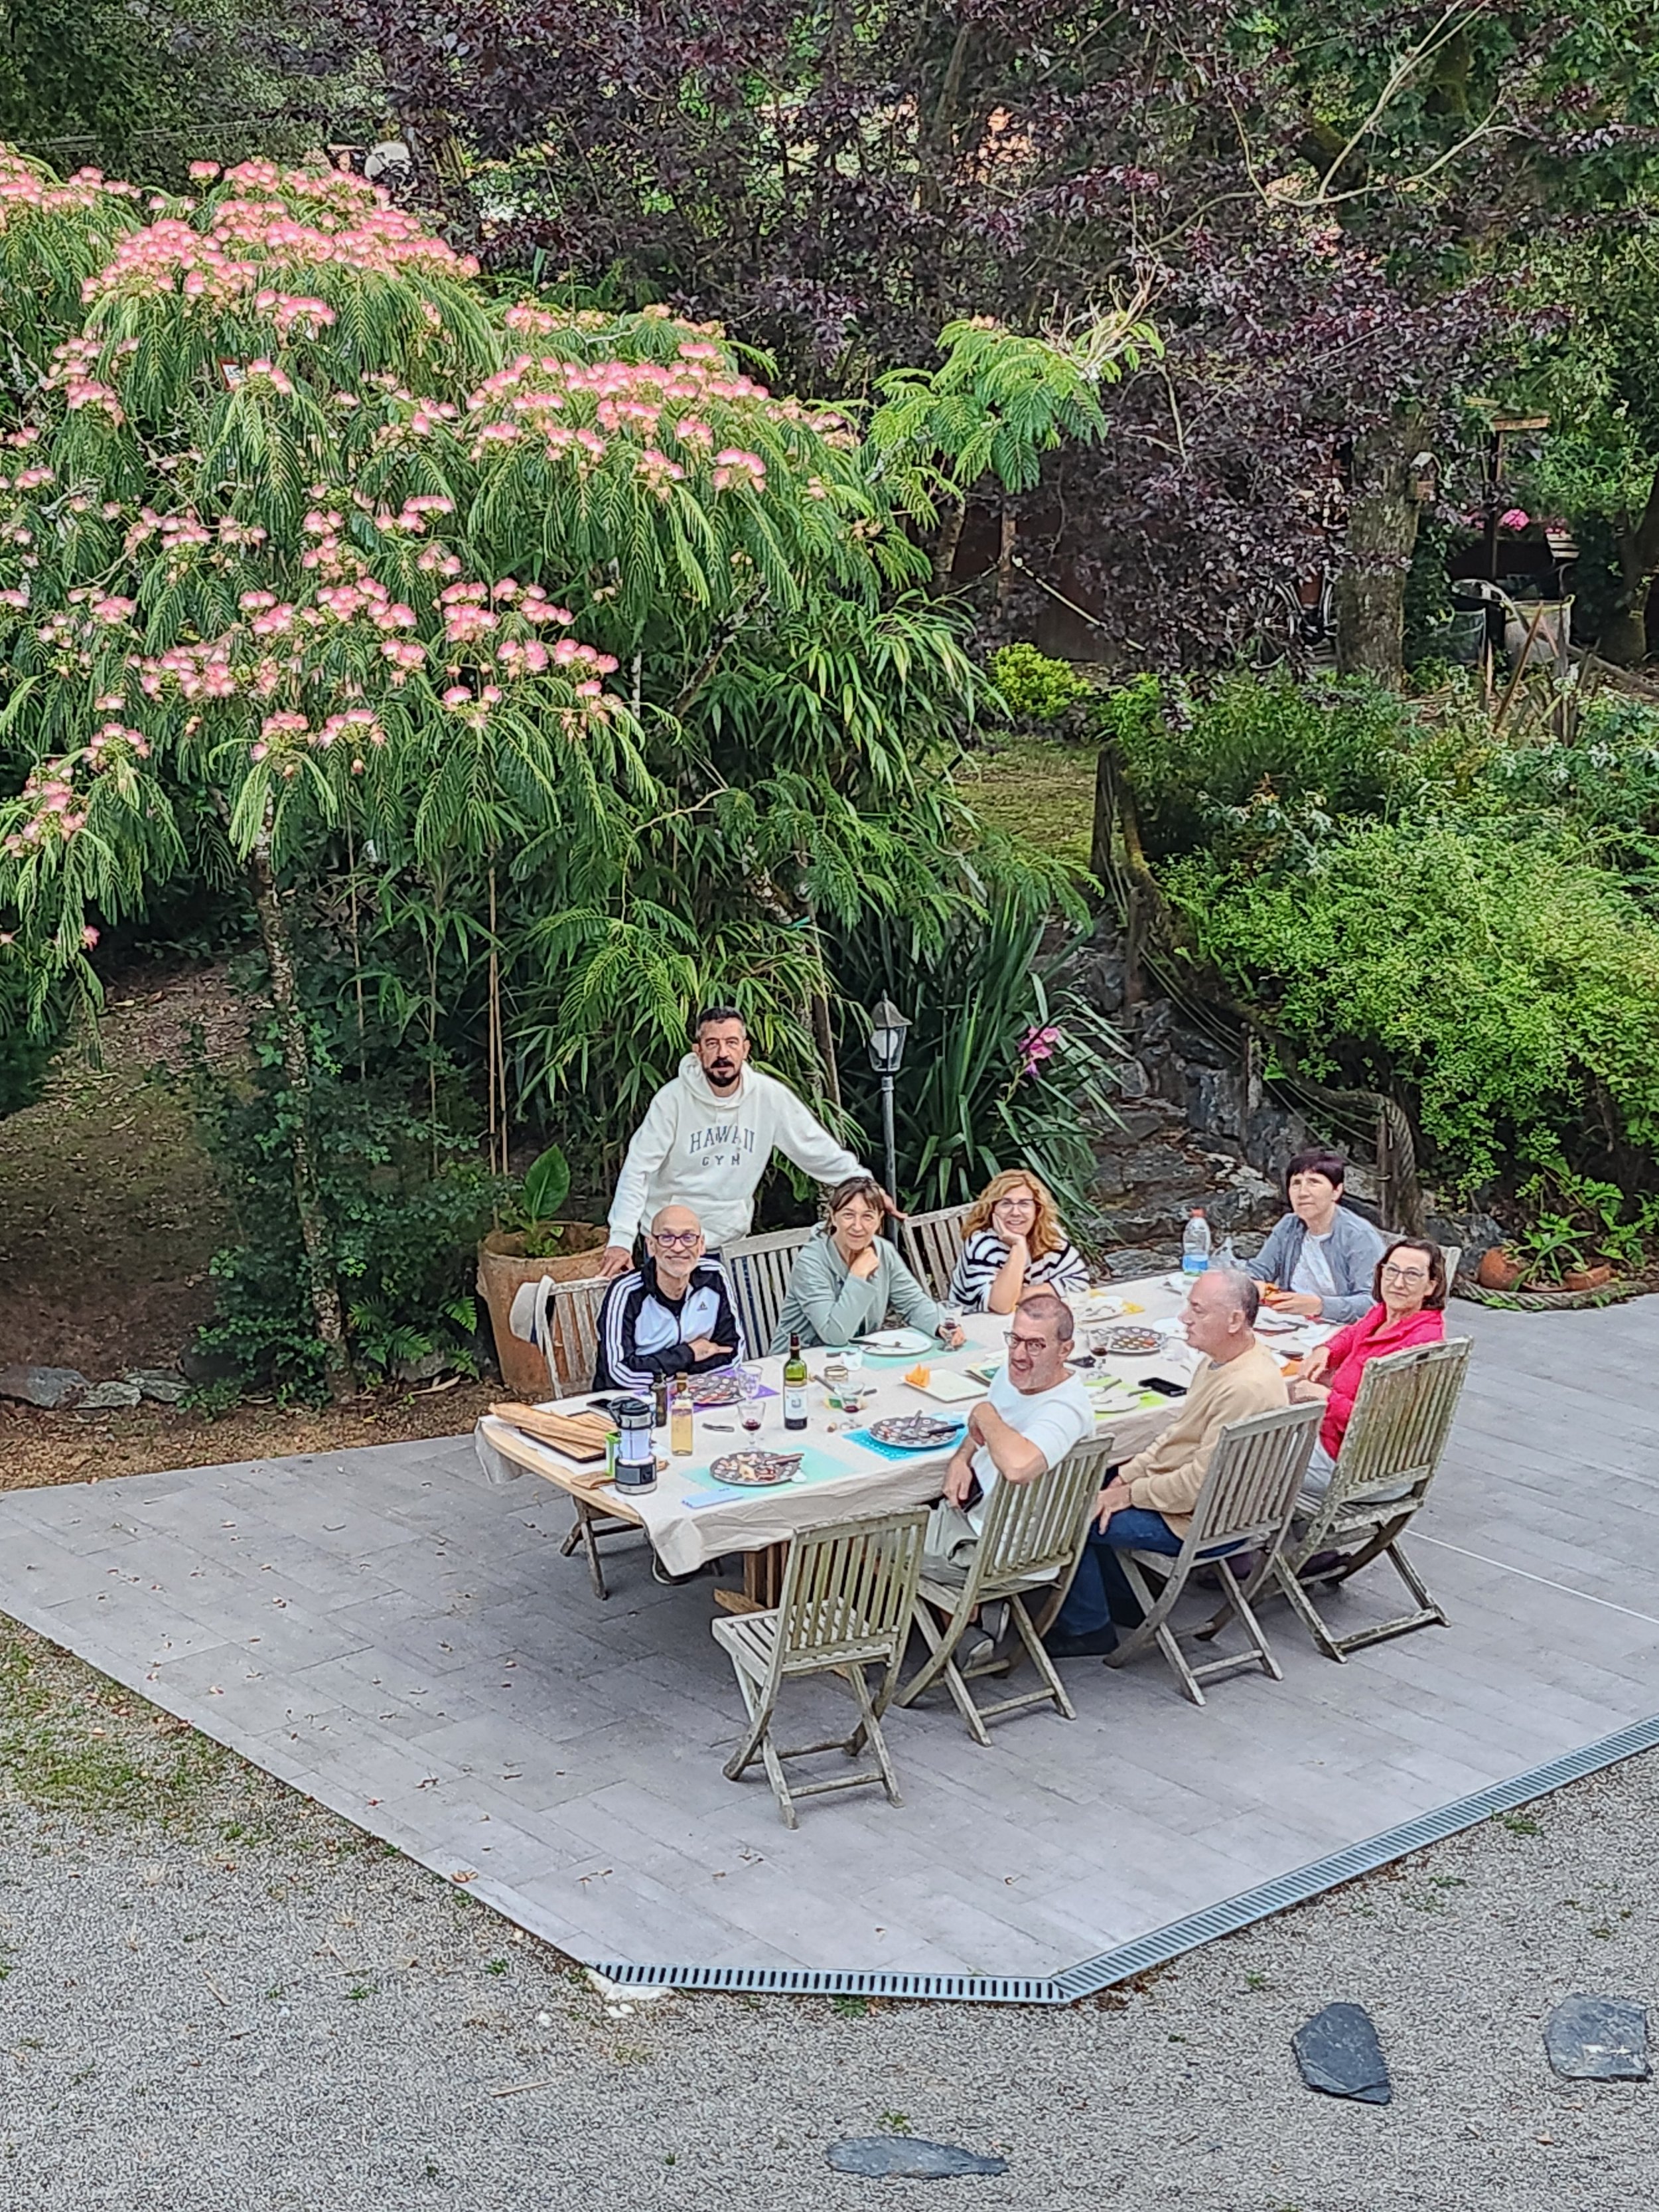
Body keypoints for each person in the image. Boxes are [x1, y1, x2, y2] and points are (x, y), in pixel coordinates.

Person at [1046, 1268, 1287, 1657]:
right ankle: (1127, 1599)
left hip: (1204, 1521)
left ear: (1235, 1320)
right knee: (1094, 1478)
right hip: (1207, 1501)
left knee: (1071, 1510)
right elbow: (1176, 1438)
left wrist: (1129, 1494)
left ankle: (1087, 1627)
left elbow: (1197, 1486)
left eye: (1198, 1310)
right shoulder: (1223, 1360)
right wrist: (1124, 1476)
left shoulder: (1246, 1387)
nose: (1184, 1319)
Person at [599, 1006, 893, 1277]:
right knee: (672, 1333)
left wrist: (867, 1186)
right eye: (712, 1044)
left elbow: (816, 1150)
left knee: (740, 1331)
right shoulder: (672, 1100)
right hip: (672, 1245)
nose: (722, 1053)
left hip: (731, 1242)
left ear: (745, 1049)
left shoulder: (768, 1097)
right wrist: (622, 1239)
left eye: (731, 1043)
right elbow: (638, 1169)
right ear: (698, 1051)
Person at [934, 1291, 1095, 1556]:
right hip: (969, 1514)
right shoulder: (1012, 1375)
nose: (1019, 1355)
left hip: (995, 1551)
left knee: (857, 1543)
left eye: (1035, 1345)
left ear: (1065, 1350)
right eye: (1015, 1340)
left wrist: (983, 1412)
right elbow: (983, 1433)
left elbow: (1018, 1468)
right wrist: (961, 1459)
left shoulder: (1066, 1410)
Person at [1289, 1236, 1447, 1491]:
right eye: (1392, 1270)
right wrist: (1326, 1350)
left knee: (1248, 1457)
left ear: (1430, 1286)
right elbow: (1353, 1333)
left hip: (1358, 1465)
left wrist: (1324, 1397)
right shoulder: (1385, 1313)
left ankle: (1249, 1523)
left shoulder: (1418, 1346)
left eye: (1411, 1275)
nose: (1397, 1283)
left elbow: (1379, 1419)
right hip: (1336, 1438)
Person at [768, 1176, 966, 1355]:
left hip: (855, 1358)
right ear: (833, 1216)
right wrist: (858, 1275)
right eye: (848, 1215)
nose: (857, 1226)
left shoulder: (884, 1251)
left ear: (879, 1220)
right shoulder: (811, 1262)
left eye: (867, 1216)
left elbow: (913, 1303)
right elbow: (835, 1335)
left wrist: (940, 1325)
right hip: (798, 1363)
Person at [593, 1204, 744, 1391]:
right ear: (651, 1246)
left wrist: (678, 1380)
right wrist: (688, 1354)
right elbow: (620, 1373)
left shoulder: (714, 1276)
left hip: (701, 1395)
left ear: (701, 1245)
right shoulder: (626, 1291)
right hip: (631, 1405)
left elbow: (732, 1354)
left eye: (688, 1238)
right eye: (667, 1238)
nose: (678, 1247)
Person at [1244, 1147, 1386, 1324]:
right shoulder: (1289, 1225)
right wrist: (1254, 1285)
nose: (1303, 1193)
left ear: (1336, 1191)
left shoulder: (1359, 1236)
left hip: (1342, 1328)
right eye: (1296, 1183)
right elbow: (1257, 1271)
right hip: (1288, 1322)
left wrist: (1320, 1306)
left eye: (1314, 1182)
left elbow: (1373, 1302)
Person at [947, 1168, 1090, 1315]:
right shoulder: (983, 1244)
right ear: (992, 1210)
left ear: (1037, 1209)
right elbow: (1000, 1306)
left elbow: (1079, 1284)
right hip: (976, 1327)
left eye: (1024, 1204)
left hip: (1032, 1320)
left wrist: (1018, 1295)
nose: (1015, 1212)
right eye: (1006, 1204)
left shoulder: (1050, 1234)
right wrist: (1019, 1246)